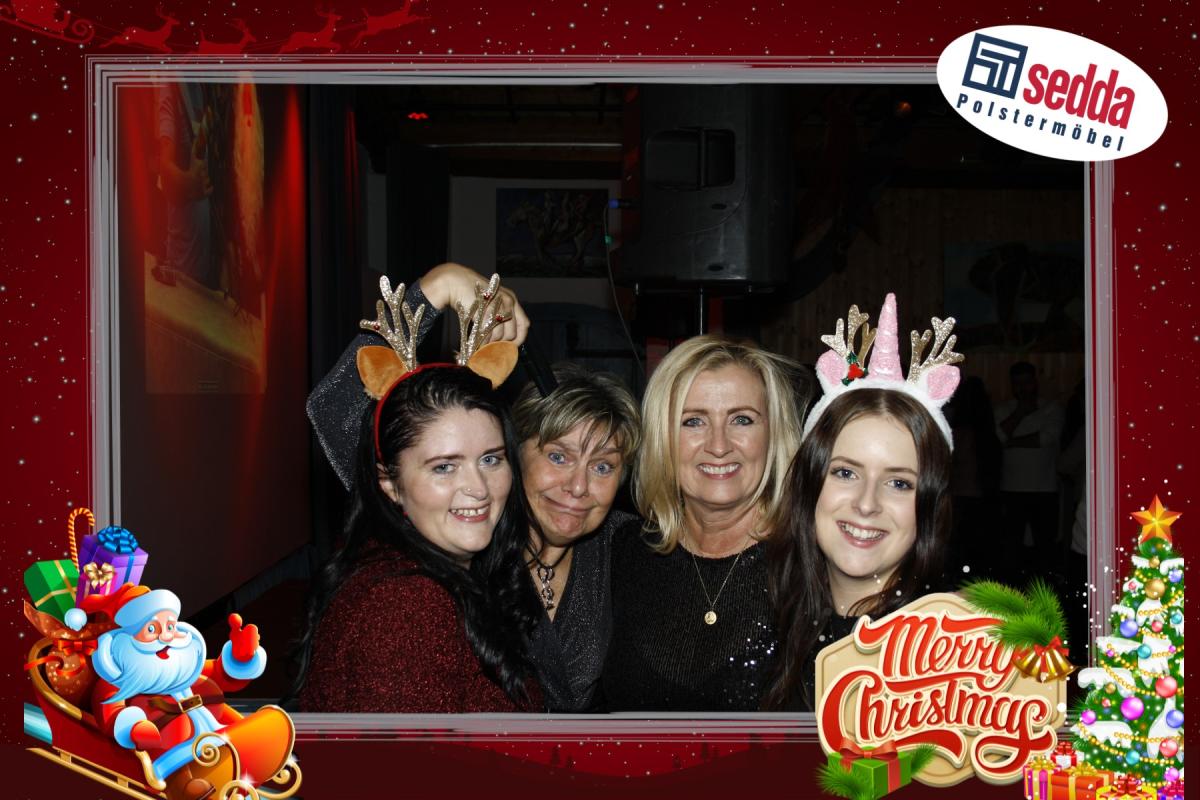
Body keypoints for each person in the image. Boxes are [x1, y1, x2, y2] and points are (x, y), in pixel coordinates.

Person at [295, 274, 542, 712]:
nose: (478, 488)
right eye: (444, 466)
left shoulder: (419, 575)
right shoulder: (405, 607)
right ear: (389, 482)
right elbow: (332, 408)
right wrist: (440, 284)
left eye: (491, 459)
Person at [764, 293, 959, 711]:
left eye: (899, 483)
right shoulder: (766, 618)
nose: (867, 504)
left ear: (929, 504)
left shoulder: (954, 656)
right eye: (846, 473)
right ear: (810, 483)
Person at [601, 335, 809, 711]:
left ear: (774, 434)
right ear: (663, 437)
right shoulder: (620, 550)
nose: (718, 445)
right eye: (693, 421)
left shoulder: (812, 564)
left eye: (742, 420)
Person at [513, 364, 642, 712]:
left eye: (602, 467)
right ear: (515, 454)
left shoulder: (629, 550)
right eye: (558, 457)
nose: (579, 486)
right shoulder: (469, 547)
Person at [89, 584, 291, 800]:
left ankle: (252, 765)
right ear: (124, 642)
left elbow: (222, 676)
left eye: (170, 626)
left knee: (268, 725)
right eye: (152, 630)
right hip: (174, 750)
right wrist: (133, 727)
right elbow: (109, 708)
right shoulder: (122, 679)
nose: (165, 637)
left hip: (219, 735)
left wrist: (240, 659)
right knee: (179, 767)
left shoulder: (184, 668)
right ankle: (186, 785)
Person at [995, 361, 1065, 582]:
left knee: (1044, 547)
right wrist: (1020, 413)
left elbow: (1046, 439)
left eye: (1027, 382)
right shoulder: (1003, 410)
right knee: (1011, 548)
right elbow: (999, 437)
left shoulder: (1051, 409)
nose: (1023, 388)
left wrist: (1011, 442)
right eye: (1018, 384)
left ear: (1035, 382)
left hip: (1044, 489)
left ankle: (1045, 592)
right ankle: (1009, 593)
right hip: (1011, 488)